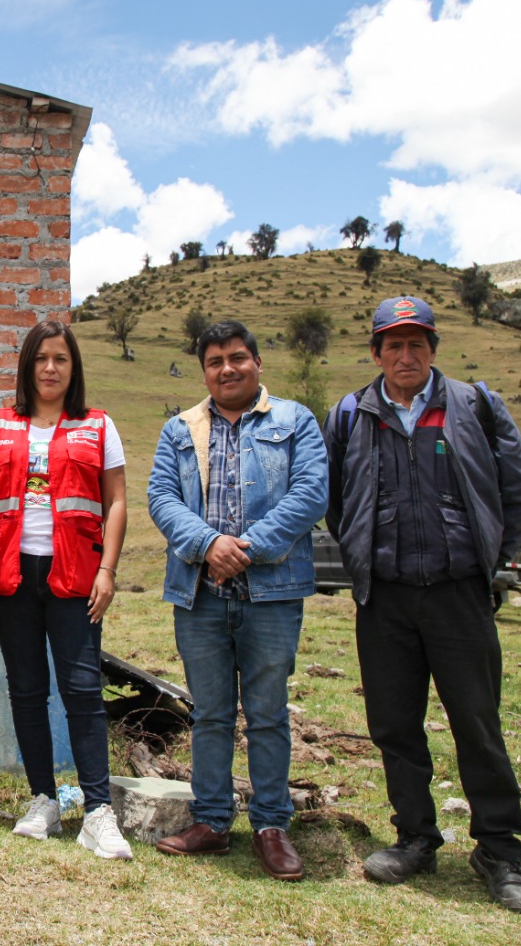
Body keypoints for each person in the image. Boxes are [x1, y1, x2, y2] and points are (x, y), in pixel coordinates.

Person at [325, 296, 521, 914]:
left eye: (417, 343)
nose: (406, 355)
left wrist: (487, 559)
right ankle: (415, 836)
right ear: (376, 353)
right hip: (385, 599)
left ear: (433, 350)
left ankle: (499, 851)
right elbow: (338, 501)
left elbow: (516, 490)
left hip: (458, 594)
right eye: (393, 344)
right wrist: (367, 554)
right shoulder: (351, 414)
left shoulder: (474, 405)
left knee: (477, 721)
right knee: (394, 724)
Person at [145, 321, 327, 880]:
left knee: (268, 714)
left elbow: (311, 491)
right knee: (211, 713)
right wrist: (208, 544)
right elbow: (160, 496)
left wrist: (247, 548)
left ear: (257, 363)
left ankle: (273, 827)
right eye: (216, 360)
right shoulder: (180, 428)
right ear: (205, 370)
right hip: (199, 595)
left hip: (271, 594)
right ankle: (213, 821)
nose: (228, 368)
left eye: (238, 358)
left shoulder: (295, 422)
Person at [0, 320, 133, 860]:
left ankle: (98, 812)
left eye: (60, 358)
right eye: (41, 359)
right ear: (27, 366)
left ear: (73, 366)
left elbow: (117, 502)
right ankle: (43, 801)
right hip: (9, 576)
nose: (51, 368)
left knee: (82, 690)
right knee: (27, 688)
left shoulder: (98, 426)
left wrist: (107, 571)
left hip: (75, 576)